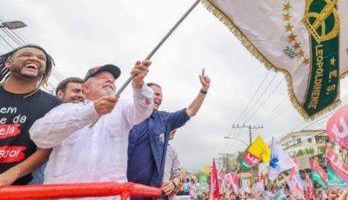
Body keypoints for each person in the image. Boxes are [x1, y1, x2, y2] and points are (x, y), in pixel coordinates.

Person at [29, 61, 154, 194]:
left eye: (112, 79)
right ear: (85, 88)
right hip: (65, 194)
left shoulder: (122, 108)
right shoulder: (65, 109)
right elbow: (38, 136)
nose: (110, 80)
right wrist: (92, 110)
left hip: (110, 194)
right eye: (102, 77)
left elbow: (144, 109)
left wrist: (139, 85)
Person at [127, 69, 211, 199]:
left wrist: (204, 90)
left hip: (155, 194)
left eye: (161, 95)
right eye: (155, 94)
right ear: (144, 94)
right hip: (128, 192)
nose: (159, 98)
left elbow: (190, 111)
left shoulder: (164, 119)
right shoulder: (128, 115)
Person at [0, 45, 61, 185]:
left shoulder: (54, 105)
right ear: (8, 63)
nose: (34, 58)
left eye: (41, 58)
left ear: (44, 69)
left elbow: (48, 147)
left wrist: (10, 175)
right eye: (26, 54)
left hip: (18, 188)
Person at [163, 130, 182, 200]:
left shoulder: (172, 151)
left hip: (164, 195)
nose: (175, 130)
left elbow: (177, 175)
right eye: (172, 124)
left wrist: (174, 184)